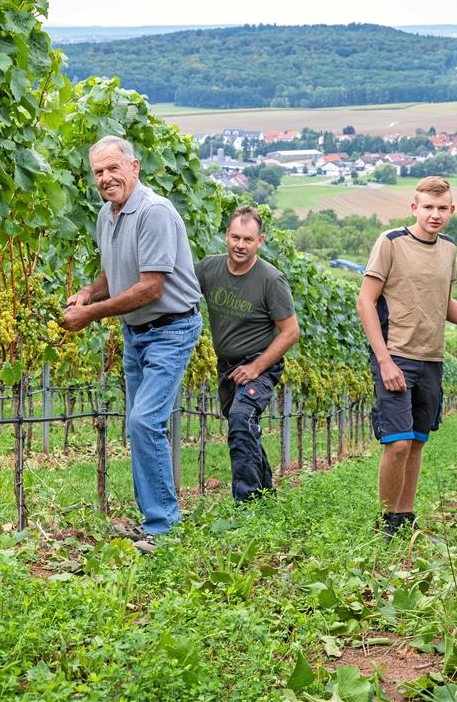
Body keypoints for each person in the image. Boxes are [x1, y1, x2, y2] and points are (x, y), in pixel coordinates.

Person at [62, 135, 202, 554]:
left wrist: (88, 315)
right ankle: (152, 522)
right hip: (136, 333)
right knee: (139, 425)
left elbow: (149, 288)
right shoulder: (107, 215)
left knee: (145, 422)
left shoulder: (154, 212)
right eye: (98, 173)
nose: (106, 178)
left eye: (112, 169)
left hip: (170, 330)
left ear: (134, 167)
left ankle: (163, 527)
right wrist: (88, 293)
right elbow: (117, 273)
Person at [355, 176, 457, 540]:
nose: (435, 214)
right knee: (396, 444)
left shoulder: (450, 249)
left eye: (442, 208)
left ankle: (405, 519)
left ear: (452, 211)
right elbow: (365, 301)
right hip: (396, 355)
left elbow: (445, 305)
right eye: (428, 207)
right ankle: (386, 525)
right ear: (414, 208)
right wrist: (384, 360)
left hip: (432, 360)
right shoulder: (391, 243)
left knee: (416, 443)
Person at [196, 206, 300, 502]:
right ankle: (266, 494)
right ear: (226, 237)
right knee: (244, 426)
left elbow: (291, 331)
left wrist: (256, 367)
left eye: (248, 240)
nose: (240, 245)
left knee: (242, 418)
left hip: (260, 365)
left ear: (260, 241)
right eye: (235, 237)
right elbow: (181, 292)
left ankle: (248, 502)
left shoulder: (270, 279)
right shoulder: (208, 269)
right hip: (227, 366)